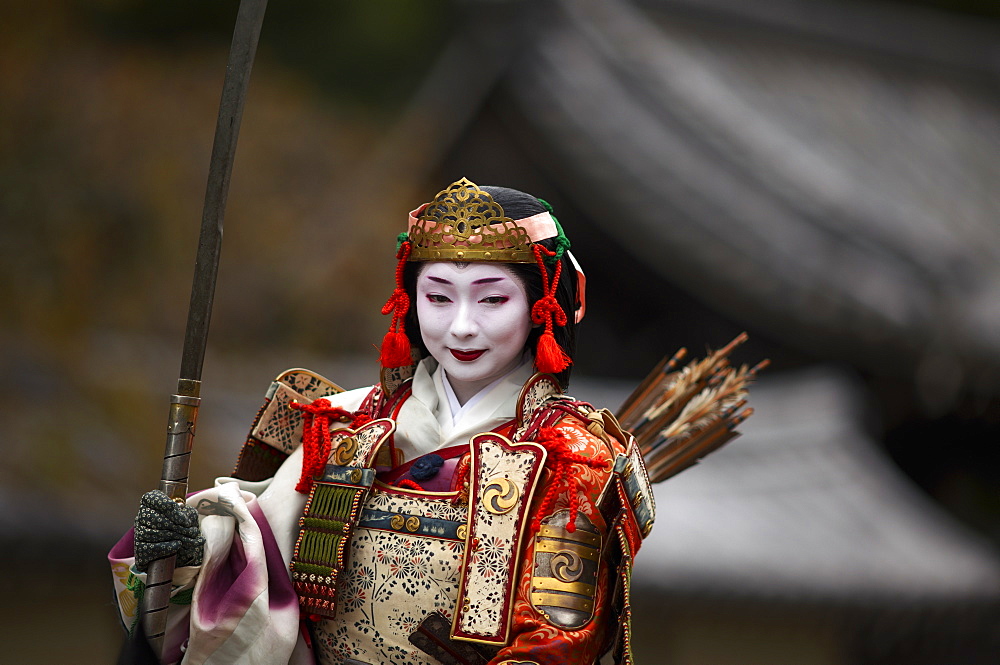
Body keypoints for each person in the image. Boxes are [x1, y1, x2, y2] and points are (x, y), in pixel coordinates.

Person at [110, 178, 656, 665]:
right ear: (409, 301)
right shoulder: (344, 423)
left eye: (492, 299)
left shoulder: (572, 452)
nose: (461, 326)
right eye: (438, 297)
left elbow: (560, 640)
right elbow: (262, 565)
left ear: (544, 304)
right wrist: (192, 553)